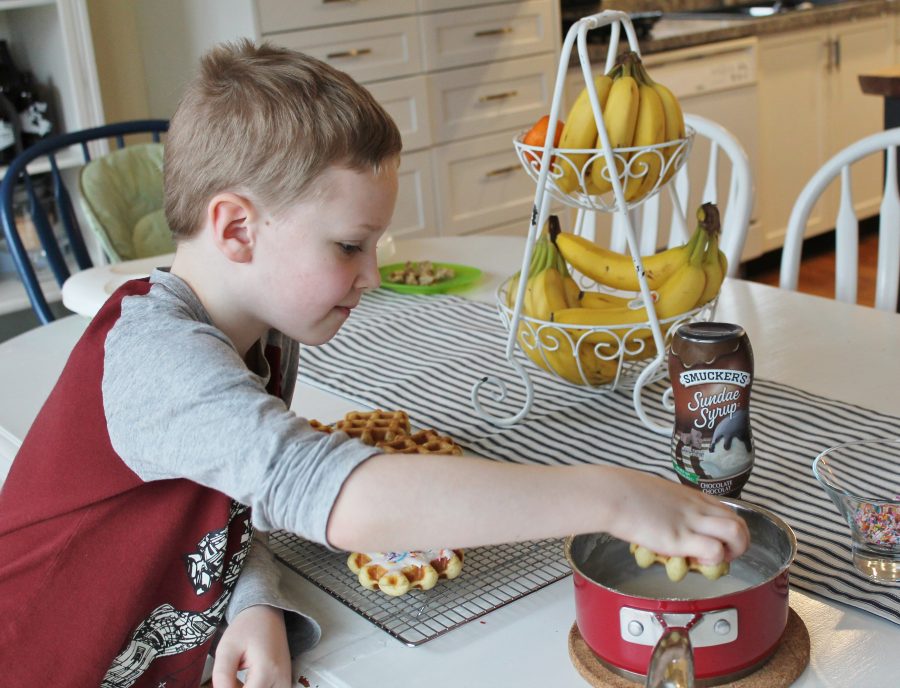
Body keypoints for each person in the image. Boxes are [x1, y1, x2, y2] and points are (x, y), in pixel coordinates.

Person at [0, 40, 749, 687]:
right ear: (235, 228)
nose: (372, 275)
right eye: (350, 246)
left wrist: (251, 601)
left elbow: (216, 502)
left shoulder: (263, 331)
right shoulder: (156, 358)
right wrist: (611, 498)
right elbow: (339, 500)